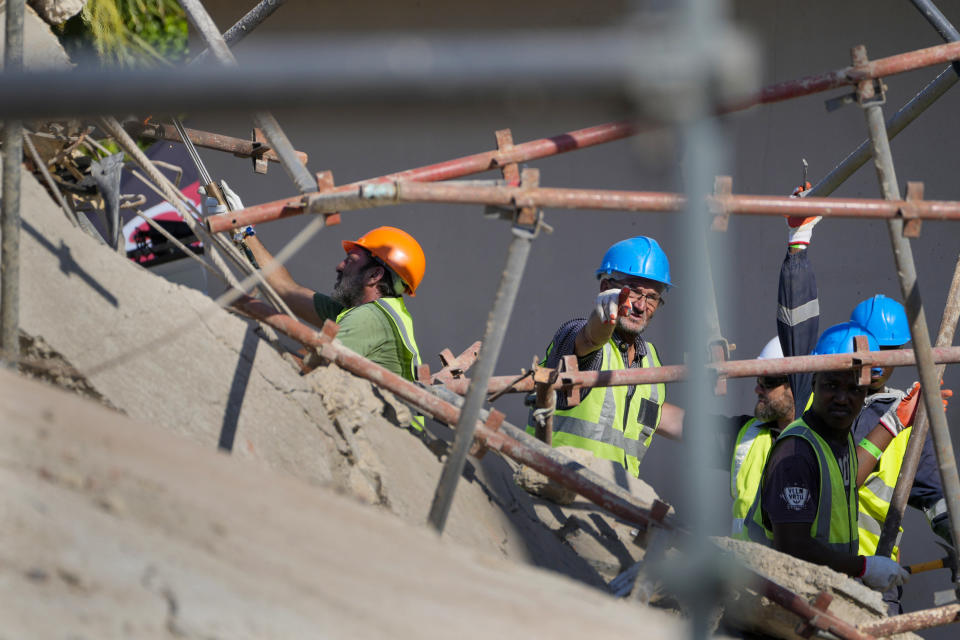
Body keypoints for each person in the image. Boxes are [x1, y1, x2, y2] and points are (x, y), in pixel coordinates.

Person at [203, 182, 426, 387]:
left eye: (350, 261)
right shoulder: (355, 312)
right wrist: (243, 230)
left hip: (390, 429)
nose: (339, 266)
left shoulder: (371, 319)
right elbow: (286, 290)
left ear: (375, 275)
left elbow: (308, 365)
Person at [745, 322, 911, 593]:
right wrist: (863, 567)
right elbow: (793, 546)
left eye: (855, 389)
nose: (842, 398)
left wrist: (894, 424)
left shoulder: (836, 438)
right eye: (832, 385)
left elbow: (843, 485)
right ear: (813, 381)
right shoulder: (797, 453)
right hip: (786, 597)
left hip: (821, 590)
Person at [527, 236, 684, 478]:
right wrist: (604, 316)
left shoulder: (649, 360)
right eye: (632, 292)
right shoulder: (574, 336)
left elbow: (659, 417)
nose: (641, 306)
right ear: (605, 288)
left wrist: (741, 435)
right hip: (559, 490)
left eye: (651, 297)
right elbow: (590, 340)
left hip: (617, 502)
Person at [726, 337, 797, 539]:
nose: (757, 389)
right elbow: (681, 424)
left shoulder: (823, 441)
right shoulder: (749, 433)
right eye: (758, 380)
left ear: (795, 385)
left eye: (767, 382)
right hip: (742, 567)